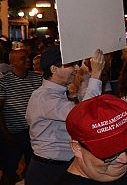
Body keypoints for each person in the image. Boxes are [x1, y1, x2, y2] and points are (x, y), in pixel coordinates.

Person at [26, 48, 106, 185]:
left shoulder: (57, 93)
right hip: (49, 170)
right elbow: (84, 115)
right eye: (70, 64)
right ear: (53, 69)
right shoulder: (45, 97)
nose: (76, 68)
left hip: (57, 165)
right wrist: (96, 74)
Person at [0, 47, 43, 185]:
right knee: (10, 168)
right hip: (14, 133)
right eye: (23, 58)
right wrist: (5, 133)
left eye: (28, 57)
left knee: (33, 168)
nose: (28, 60)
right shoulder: (4, 83)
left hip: (35, 131)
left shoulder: (38, 78)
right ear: (12, 63)